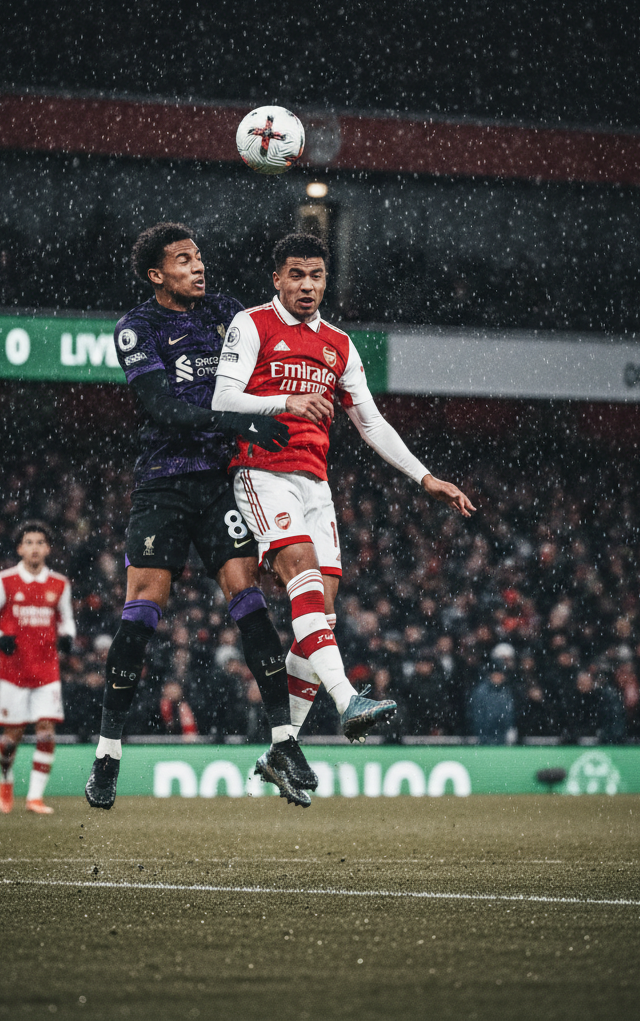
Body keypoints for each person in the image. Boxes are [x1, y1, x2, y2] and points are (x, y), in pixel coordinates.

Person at [213, 232, 475, 778]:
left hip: (315, 483)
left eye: (316, 276)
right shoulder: (252, 324)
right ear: (277, 278)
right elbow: (223, 398)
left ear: (325, 281)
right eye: (296, 275)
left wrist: (424, 477)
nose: (307, 286)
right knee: (303, 584)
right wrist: (286, 400)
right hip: (262, 470)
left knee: (323, 614)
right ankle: (348, 701)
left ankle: (282, 746)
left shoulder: (339, 344)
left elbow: (371, 421)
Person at [83, 222, 316, 811]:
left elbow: (260, 368)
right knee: (142, 613)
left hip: (221, 485)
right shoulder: (138, 327)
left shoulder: (228, 313)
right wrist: (235, 421)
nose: (199, 265)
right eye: (183, 259)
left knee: (251, 604)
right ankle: (108, 753)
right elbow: (160, 406)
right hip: (165, 485)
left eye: (199, 256)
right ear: (157, 274)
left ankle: (284, 743)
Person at [0, 520, 75, 815]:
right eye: (28, 542)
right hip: (13, 672)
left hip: (47, 671)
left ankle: (34, 798)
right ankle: (6, 778)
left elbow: (67, 619)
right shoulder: (4, 581)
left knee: (45, 733)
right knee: (10, 739)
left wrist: (68, 636)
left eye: (39, 542)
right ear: (20, 548)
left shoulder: (59, 584)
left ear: (48, 548)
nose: (34, 547)